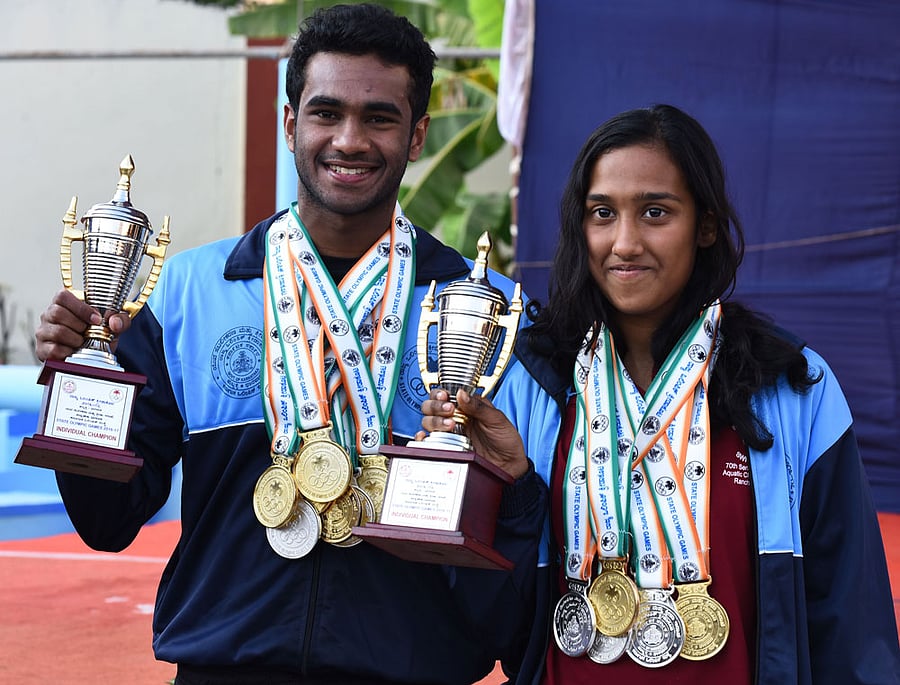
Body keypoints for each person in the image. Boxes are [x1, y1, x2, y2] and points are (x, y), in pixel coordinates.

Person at [34, 4, 546, 684]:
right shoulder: (188, 294)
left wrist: (514, 490)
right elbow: (109, 521)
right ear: (289, 123)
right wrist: (78, 382)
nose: (349, 140)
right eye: (326, 113)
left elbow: (518, 569)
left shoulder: (489, 316)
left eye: (380, 118)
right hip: (224, 670)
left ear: (418, 135)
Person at [421, 104, 900, 683]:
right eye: (602, 213)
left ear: (705, 225)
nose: (625, 243)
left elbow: (852, 626)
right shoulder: (535, 385)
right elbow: (493, 625)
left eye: (655, 212)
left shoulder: (792, 386)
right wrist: (511, 490)